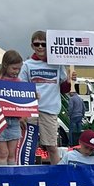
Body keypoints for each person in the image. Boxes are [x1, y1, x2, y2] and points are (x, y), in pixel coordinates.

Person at [19, 31, 68, 165]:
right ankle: (28, 173)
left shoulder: (58, 64)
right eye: (37, 44)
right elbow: (21, 88)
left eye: (44, 44)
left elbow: (65, 89)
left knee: (52, 146)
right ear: (32, 46)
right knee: (29, 146)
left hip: (50, 110)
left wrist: (70, 81)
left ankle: (56, 174)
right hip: (31, 111)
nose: (40, 47)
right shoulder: (27, 65)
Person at [0, 50, 24, 166]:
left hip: (14, 121)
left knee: (12, 154)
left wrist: (33, 97)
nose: (16, 72)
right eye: (14, 68)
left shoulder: (19, 82)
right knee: (3, 153)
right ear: (5, 65)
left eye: (19, 69)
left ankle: (11, 177)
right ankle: (2, 177)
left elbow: (23, 101)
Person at [65, 82, 85, 148]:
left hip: (74, 116)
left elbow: (70, 108)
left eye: (69, 93)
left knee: (72, 131)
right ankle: (79, 143)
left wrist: (69, 115)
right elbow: (83, 107)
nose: (69, 94)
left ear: (72, 92)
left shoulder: (72, 99)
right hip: (80, 116)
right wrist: (83, 115)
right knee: (79, 131)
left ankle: (71, 143)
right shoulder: (80, 98)